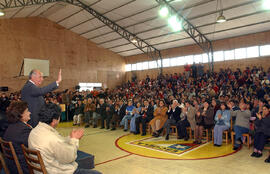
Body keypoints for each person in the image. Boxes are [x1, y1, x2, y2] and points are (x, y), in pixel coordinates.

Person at [28, 103, 101, 174]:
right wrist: (74, 140)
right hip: (57, 171)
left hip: (42, 169)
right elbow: (70, 158)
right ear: (54, 121)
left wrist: (70, 137)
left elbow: (58, 143)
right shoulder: (52, 139)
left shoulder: (35, 131)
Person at [3, 101, 32, 174]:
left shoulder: (11, 127)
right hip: (23, 167)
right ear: (20, 114)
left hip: (12, 165)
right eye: (27, 111)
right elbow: (35, 147)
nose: (30, 113)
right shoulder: (23, 130)